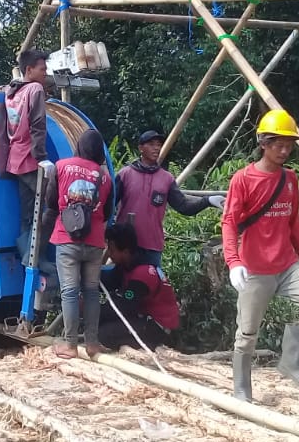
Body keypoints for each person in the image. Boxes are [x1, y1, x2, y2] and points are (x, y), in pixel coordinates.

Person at [222, 110, 299, 398]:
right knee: (246, 335)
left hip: (287, 264)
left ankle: (290, 362)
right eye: (278, 144)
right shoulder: (243, 180)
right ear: (263, 144)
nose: (284, 150)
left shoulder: (290, 180)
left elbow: (294, 224)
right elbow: (229, 222)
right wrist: (233, 262)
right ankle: (242, 388)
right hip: (255, 267)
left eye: (288, 145)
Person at [45, 128, 113, 359]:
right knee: (92, 292)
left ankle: (71, 345)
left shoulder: (61, 166)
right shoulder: (105, 177)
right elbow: (107, 212)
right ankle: (92, 343)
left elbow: (51, 201)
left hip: (66, 239)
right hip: (94, 241)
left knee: (70, 292)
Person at [116, 129, 224, 266]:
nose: (156, 148)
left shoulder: (166, 179)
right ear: (140, 148)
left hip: (152, 247)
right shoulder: (125, 174)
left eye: (159, 144)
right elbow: (108, 205)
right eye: (151, 144)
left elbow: (184, 207)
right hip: (126, 246)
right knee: (124, 284)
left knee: (152, 283)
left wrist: (208, 201)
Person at [99, 221, 179, 351]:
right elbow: (108, 282)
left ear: (125, 251)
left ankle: (148, 346)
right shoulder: (126, 265)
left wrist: (89, 309)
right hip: (143, 318)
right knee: (101, 323)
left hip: (158, 326)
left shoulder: (142, 275)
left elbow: (124, 306)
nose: (109, 254)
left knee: (104, 334)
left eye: (112, 250)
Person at [1, 49, 51, 234]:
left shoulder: (11, 91)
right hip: (30, 158)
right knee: (52, 203)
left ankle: (27, 256)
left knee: (28, 211)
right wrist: (42, 158)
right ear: (29, 70)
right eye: (42, 69)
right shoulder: (35, 89)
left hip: (15, 160)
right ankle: (42, 256)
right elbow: (37, 124)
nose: (45, 73)